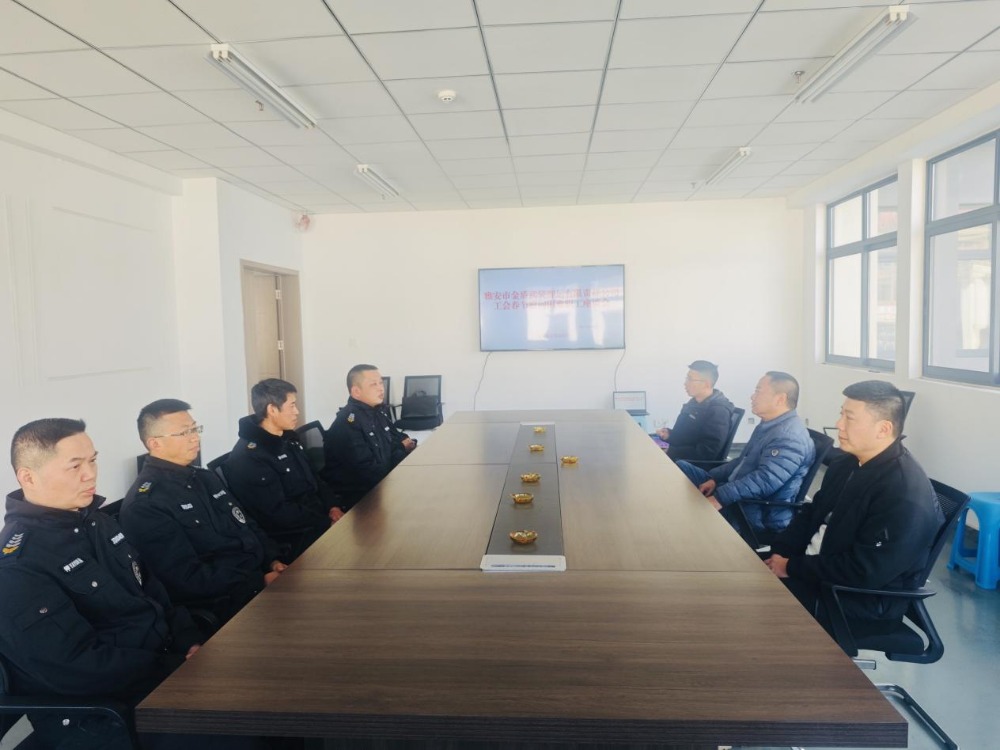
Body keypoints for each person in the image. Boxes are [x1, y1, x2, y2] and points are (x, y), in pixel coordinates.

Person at [0, 418, 263, 750]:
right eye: (75, 466)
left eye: (93, 460)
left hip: (158, 671)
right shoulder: (18, 564)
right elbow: (75, 668)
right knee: (242, 725)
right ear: (28, 477)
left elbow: (152, 591)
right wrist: (172, 666)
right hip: (104, 713)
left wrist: (189, 639)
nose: (90, 474)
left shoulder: (97, 523)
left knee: (262, 687)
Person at [765, 381, 944, 634]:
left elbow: (865, 571)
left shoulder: (903, 492)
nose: (839, 424)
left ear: (883, 429)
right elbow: (811, 514)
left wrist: (790, 567)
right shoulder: (846, 463)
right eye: (841, 414)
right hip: (816, 570)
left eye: (849, 418)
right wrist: (778, 554)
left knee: (751, 605)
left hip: (855, 597)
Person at [119, 399, 285, 625]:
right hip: (229, 602)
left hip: (261, 577)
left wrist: (273, 560)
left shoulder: (204, 477)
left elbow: (246, 524)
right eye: (184, 433)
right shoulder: (146, 504)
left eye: (195, 429)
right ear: (155, 443)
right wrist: (258, 582)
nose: (195, 437)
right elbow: (185, 579)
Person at [675, 371, 814, 534]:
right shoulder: (769, 426)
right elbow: (743, 461)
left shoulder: (789, 437)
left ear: (780, 399)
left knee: (684, 508)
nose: (752, 397)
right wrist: (714, 478)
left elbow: (764, 480)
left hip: (751, 511)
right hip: (734, 494)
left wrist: (720, 497)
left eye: (758, 391)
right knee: (680, 468)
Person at [224, 379, 340, 561]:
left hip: (316, 519)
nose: (297, 411)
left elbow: (315, 479)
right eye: (292, 405)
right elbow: (278, 513)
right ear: (272, 409)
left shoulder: (286, 439)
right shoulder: (250, 457)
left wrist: (333, 506)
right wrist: (326, 522)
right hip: (296, 535)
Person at [321, 365, 411, 512]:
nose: (381, 388)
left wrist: (402, 449)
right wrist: (401, 449)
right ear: (356, 391)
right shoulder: (349, 422)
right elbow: (368, 472)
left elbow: (397, 440)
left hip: (382, 484)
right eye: (373, 384)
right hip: (361, 498)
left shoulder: (377, 412)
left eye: (381, 383)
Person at [653, 360, 735, 461]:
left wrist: (670, 451)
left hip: (692, 464)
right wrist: (669, 435)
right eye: (687, 378)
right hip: (680, 457)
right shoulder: (694, 403)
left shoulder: (718, 411)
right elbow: (687, 436)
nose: (685, 383)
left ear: (707, 384)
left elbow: (707, 452)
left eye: (690, 379)